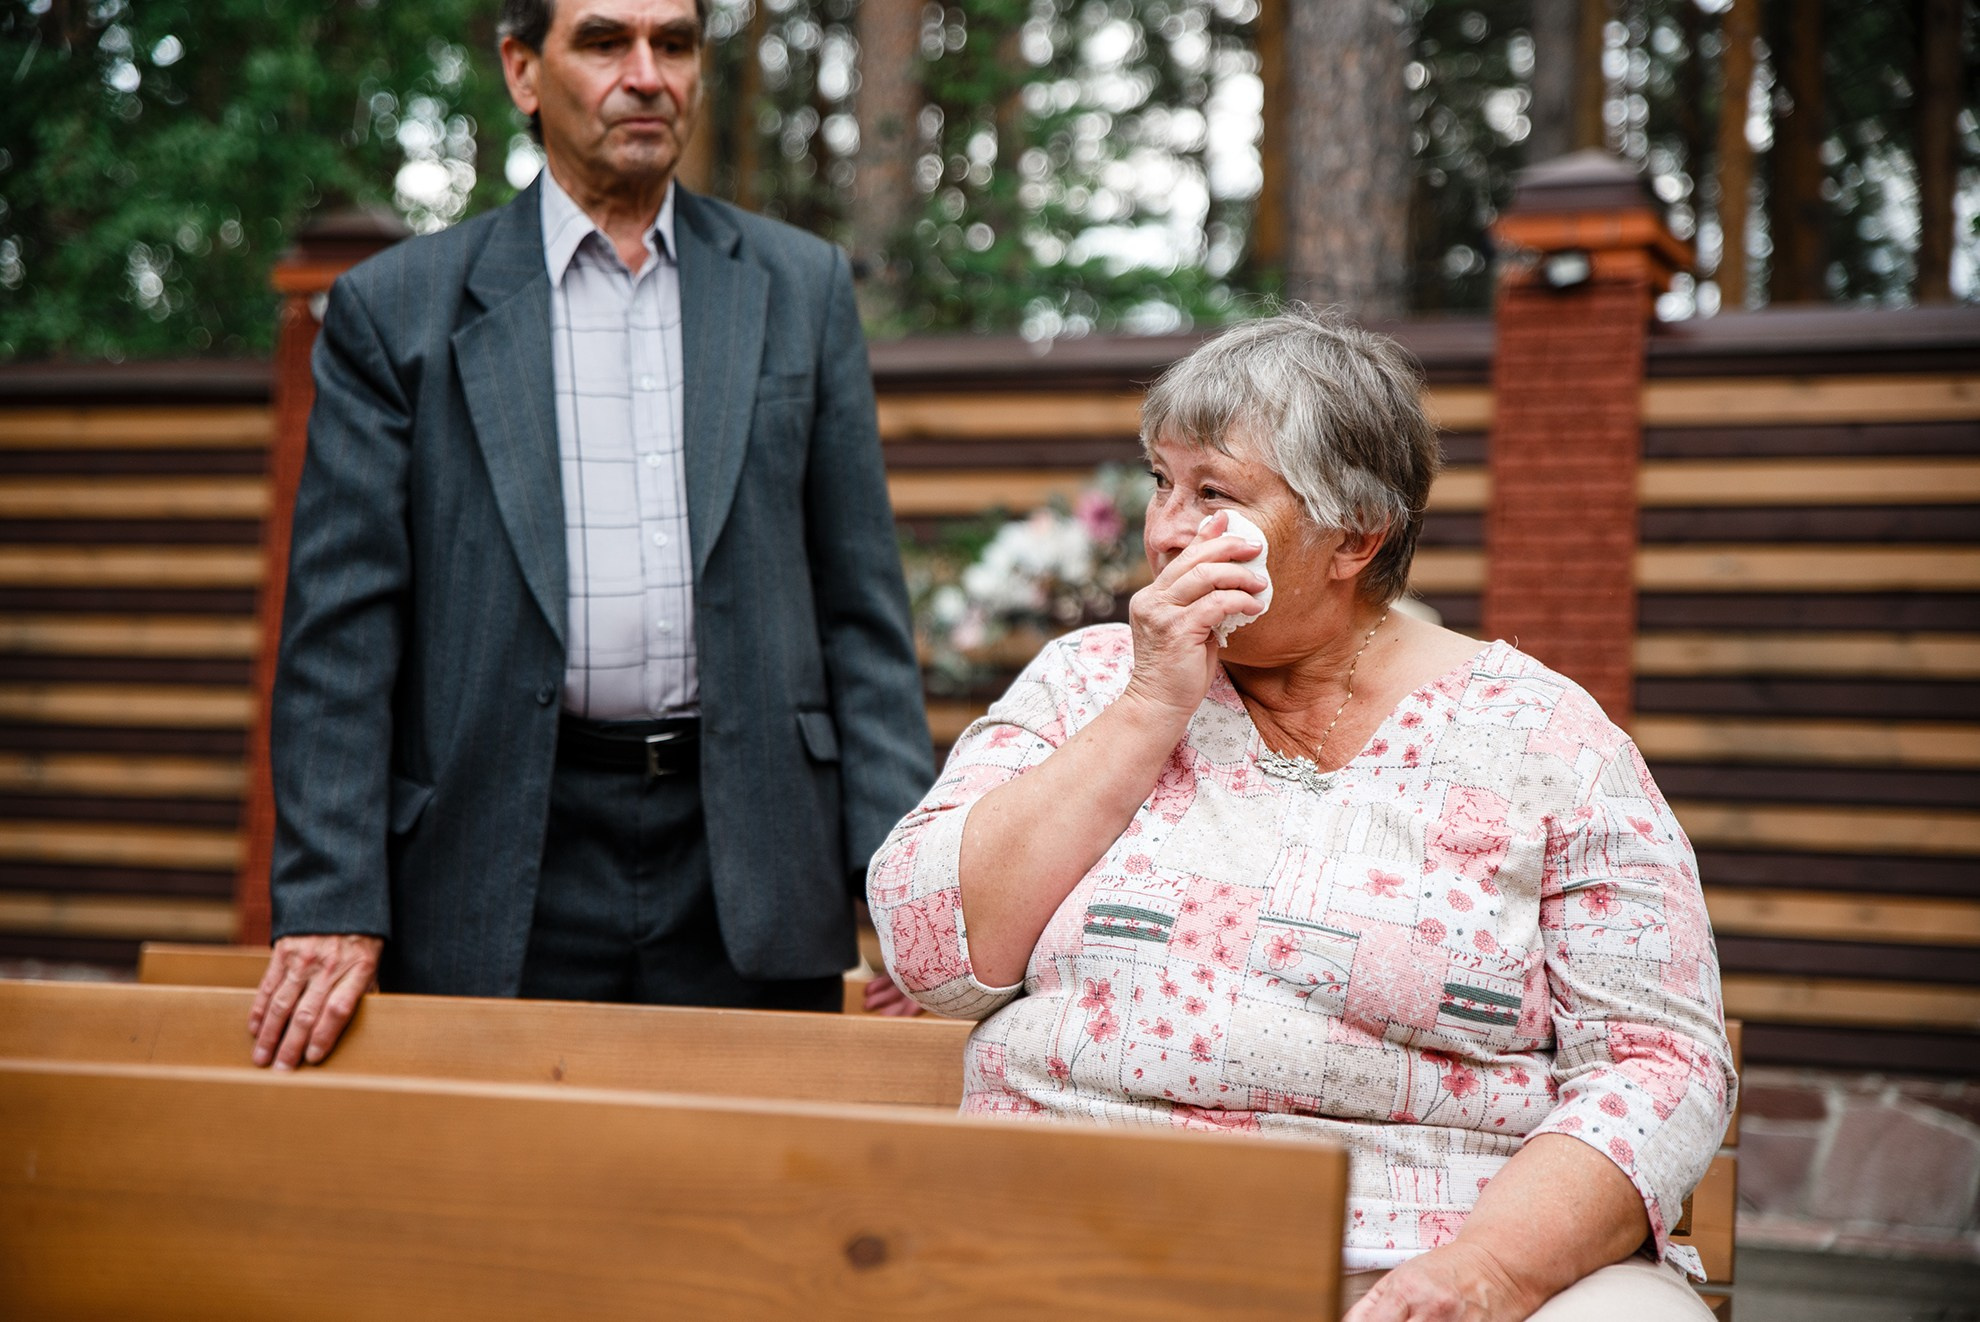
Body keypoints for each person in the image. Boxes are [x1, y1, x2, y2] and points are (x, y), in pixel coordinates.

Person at [868, 307, 1736, 1321]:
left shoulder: (1546, 738)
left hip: (1429, 1259)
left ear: (1354, 537)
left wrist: (1488, 1272)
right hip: (1064, 1240)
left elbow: (1659, 1060)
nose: (1165, 531)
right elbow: (928, 951)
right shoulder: (1086, 682)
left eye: (1214, 492)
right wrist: (1151, 702)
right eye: (1160, 481)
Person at [249, 0, 932, 1069]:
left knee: (746, 1202)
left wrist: (906, 892)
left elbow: (861, 616)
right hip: (496, 844)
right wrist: (331, 895)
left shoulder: (799, 289)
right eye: (606, 41)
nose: (648, 74)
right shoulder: (397, 312)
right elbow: (342, 634)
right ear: (524, 72)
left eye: (676, 43)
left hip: (750, 850)